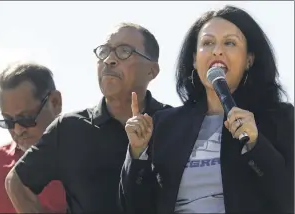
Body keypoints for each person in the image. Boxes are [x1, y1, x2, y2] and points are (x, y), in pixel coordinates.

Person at [120, 5, 294, 214]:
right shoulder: (165, 124)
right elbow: (133, 208)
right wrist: (138, 154)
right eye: (207, 43)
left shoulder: (279, 119)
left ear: (249, 59)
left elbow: (288, 200)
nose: (217, 51)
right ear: (194, 59)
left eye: (230, 43)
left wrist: (256, 146)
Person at [5, 23, 172, 214]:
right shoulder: (69, 128)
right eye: (104, 51)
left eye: (124, 51)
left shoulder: (174, 124)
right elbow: (17, 182)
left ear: (152, 70)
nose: (109, 59)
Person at [0, 62, 67, 213]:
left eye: (26, 118)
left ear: (55, 102)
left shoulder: (93, 158)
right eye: (8, 121)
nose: (17, 130)